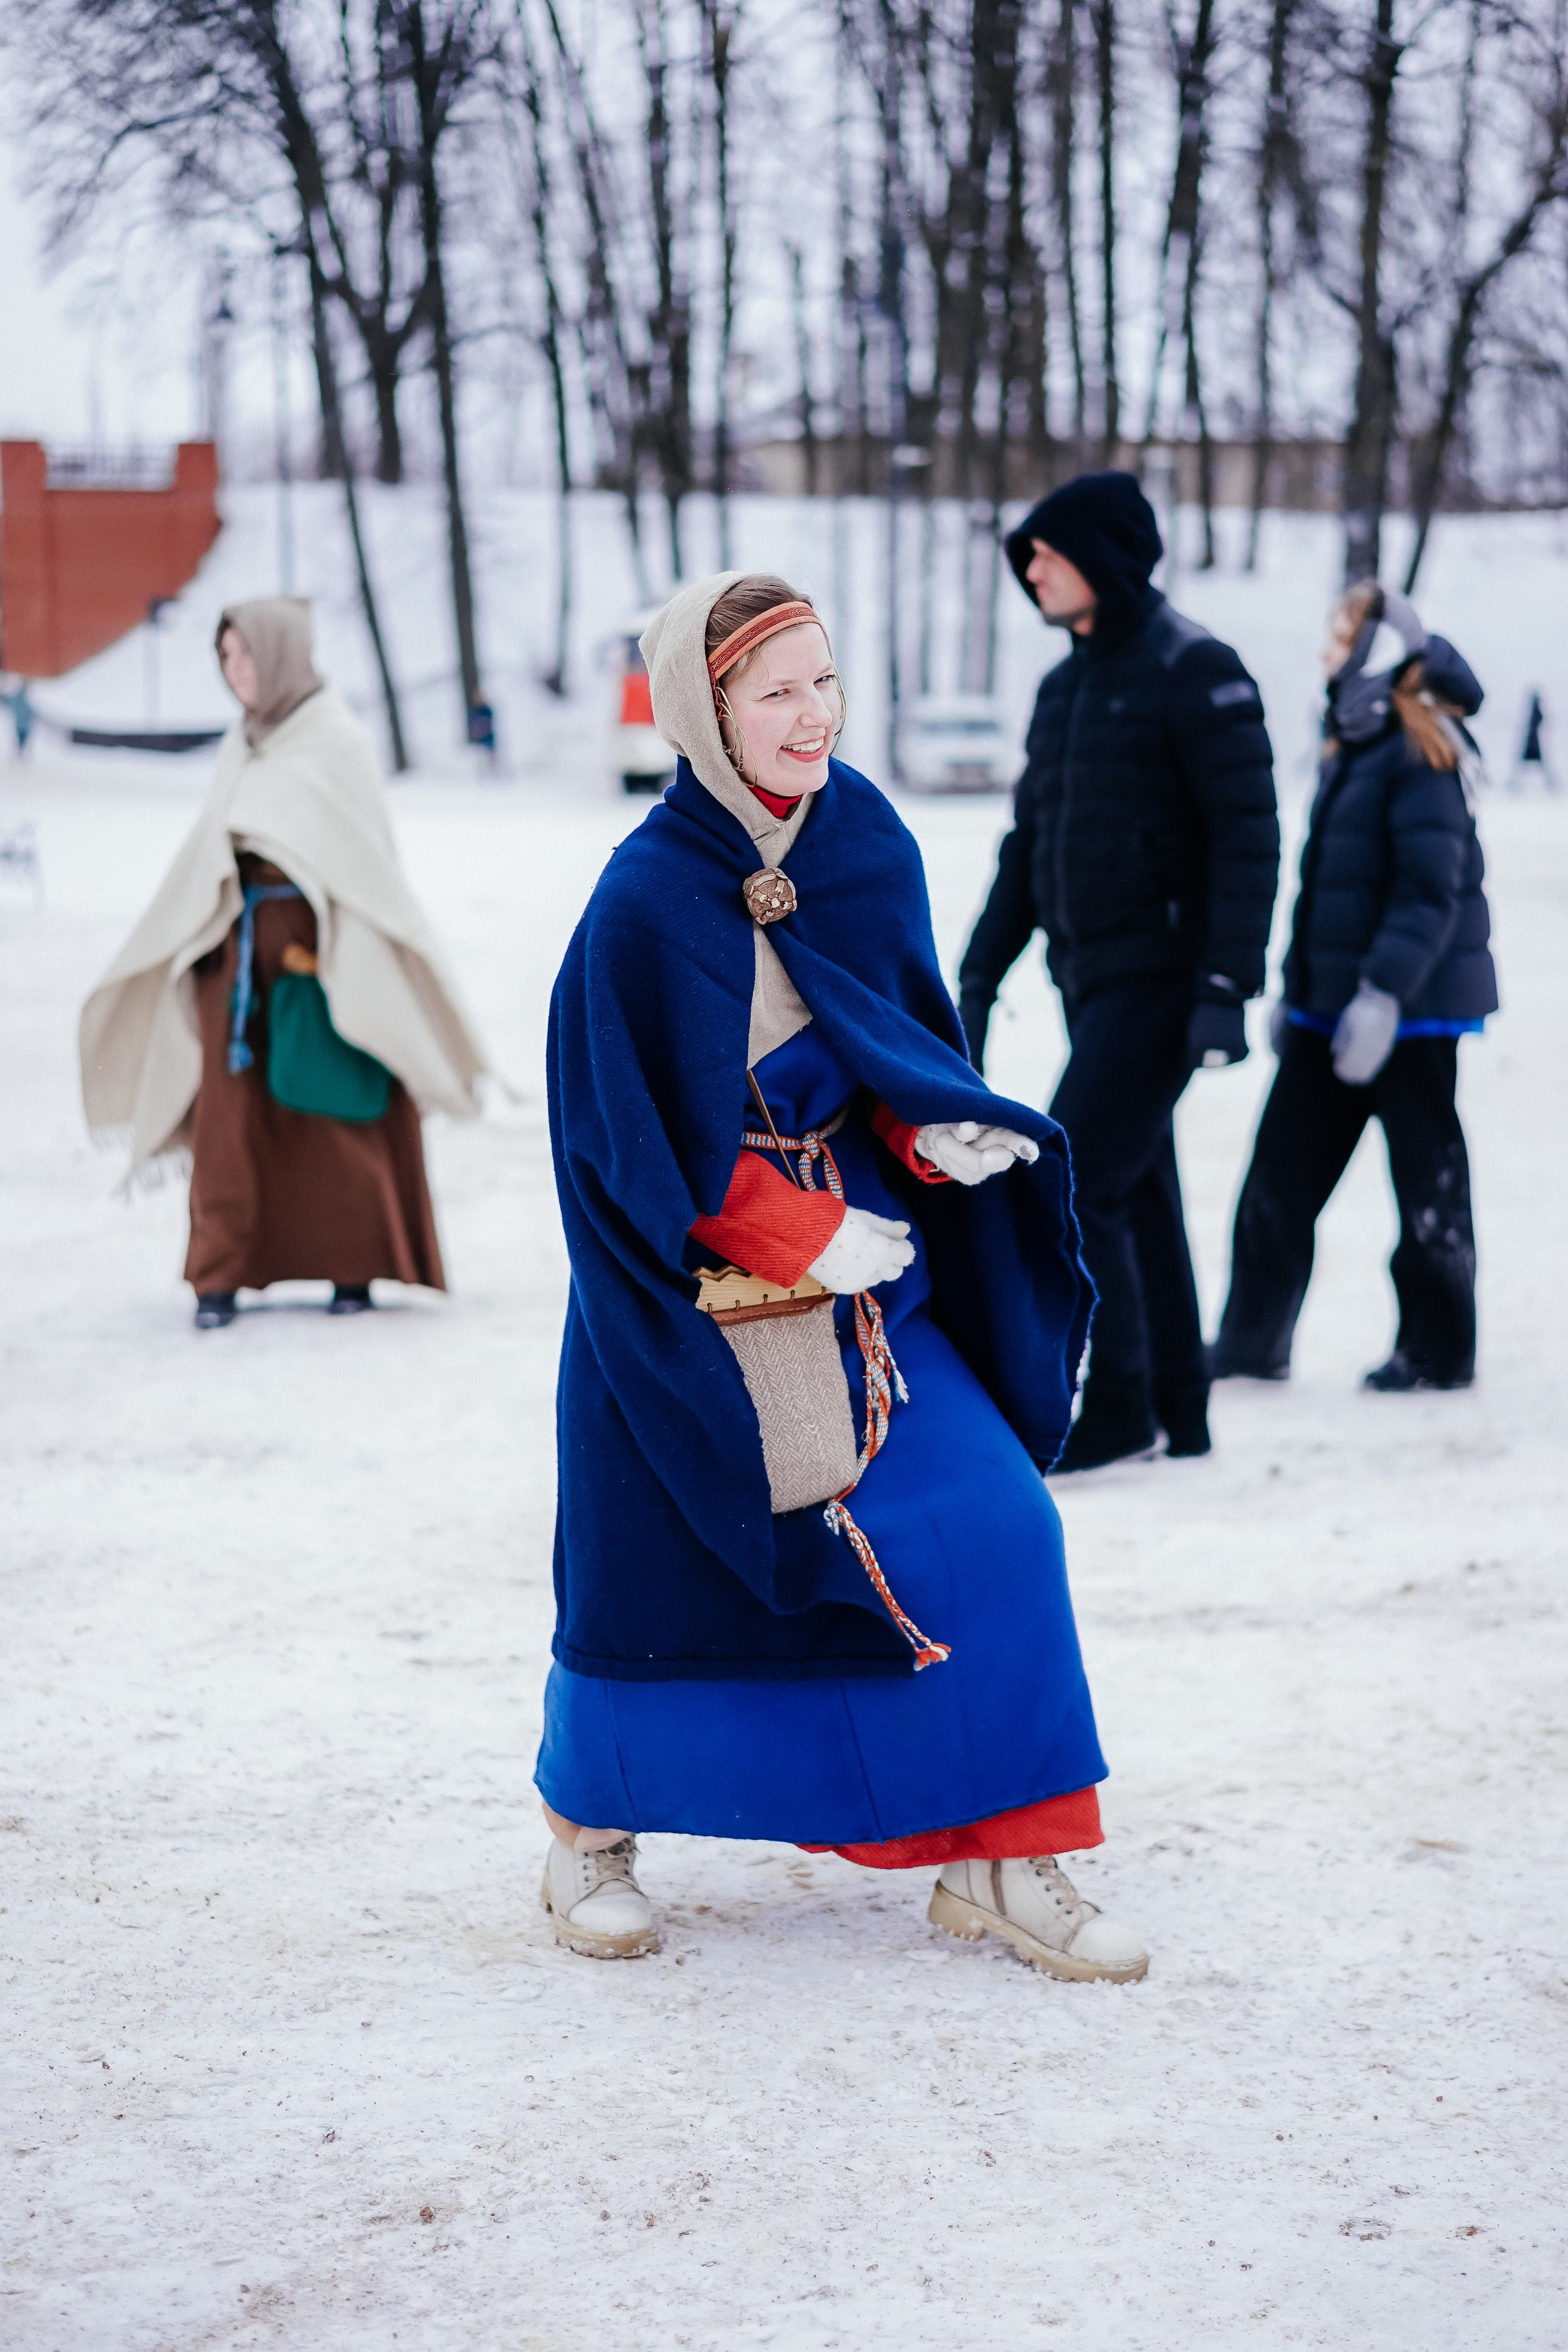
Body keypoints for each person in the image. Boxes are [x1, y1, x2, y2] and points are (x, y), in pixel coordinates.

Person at [536, 570, 1150, 1984]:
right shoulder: (641, 901)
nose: (811, 715)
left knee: (997, 1526)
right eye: (773, 691)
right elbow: (622, 1150)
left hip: (876, 1286)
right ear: (705, 713)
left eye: (823, 679)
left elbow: (892, 1034)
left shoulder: (861, 834)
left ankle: (1004, 1857)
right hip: (685, 1307)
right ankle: (584, 1834)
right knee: (653, 1567)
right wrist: (783, 1230)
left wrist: (922, 1132)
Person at [957, 471, 1280, 1471]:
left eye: (1047, 553)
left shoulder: (1195, 669)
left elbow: (1248, 839)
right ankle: (1180, 1407)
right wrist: (977, 976)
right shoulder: (1066, 688)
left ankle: (1121, 1404)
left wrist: (1227, 985)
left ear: (1102, 554)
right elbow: (1029, 845)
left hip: (1164, 978)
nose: (1033, 571)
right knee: (1136, 1189)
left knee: (1077, 1180)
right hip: (1088, 977)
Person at [79, 597, 488, 1326]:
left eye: (245, 655)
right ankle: (220, 1274)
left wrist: (328, 941)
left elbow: (365, 864)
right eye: (225, 657)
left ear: (280, 655)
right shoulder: (248, 742)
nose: (235, 672)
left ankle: (352, 1266)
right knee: (226, 1117)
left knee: (337, 1103)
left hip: (325, 954)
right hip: (236, 957)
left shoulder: (334, 739)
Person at [1210, 585, 1496, 1390]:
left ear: (1376, 651)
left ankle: (1439, 1352)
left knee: (1428, 1190)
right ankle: (1251, 1342)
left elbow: (1427, 893)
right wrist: (1297, 990)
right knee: (1277, 1182)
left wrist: (1381, 995)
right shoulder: (1353, 743)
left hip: (1412, 1017)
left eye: (1342, 639)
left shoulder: (1420, 751)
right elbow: (1329, 893)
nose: (1327, 654)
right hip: (1326, 1013)